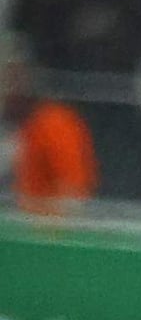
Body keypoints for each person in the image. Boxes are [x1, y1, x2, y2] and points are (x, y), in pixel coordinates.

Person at [4, 34, 90, 207]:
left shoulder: (55, 123)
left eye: (15, 75)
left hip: (36, 228)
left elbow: (73, 195)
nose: (9, 85)